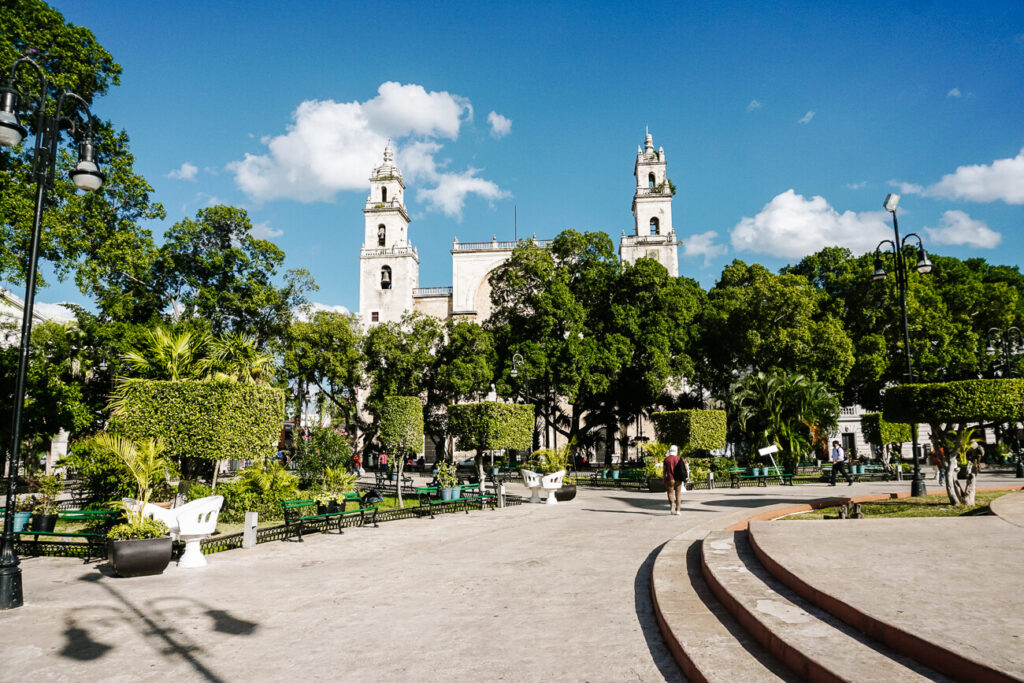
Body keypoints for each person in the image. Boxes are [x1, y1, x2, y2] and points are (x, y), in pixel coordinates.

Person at [662, 445, 687, 515]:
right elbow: (686, 468)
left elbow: (664, 471)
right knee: (678, 495)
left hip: (670, 479)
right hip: (678, 479)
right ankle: (678, 510)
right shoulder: (680, 459)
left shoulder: (666, 459)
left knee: (670, 493)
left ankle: (672, 503)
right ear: (676, 451)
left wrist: (664, 478)